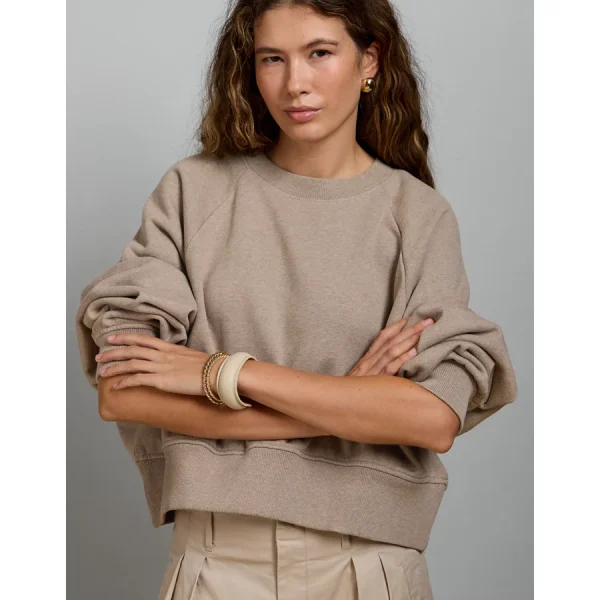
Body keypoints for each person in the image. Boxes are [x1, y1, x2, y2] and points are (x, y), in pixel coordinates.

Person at [74, 1, 518, 598]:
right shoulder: (193, 192)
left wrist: (221, 373)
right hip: (219, 563)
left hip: (370, 567)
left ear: (370, 60)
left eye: (319, 53)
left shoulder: (417, 215)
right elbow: (122, 393)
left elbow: (433, 419)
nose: (294, 84)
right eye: (272, 59)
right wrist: (350, 401)